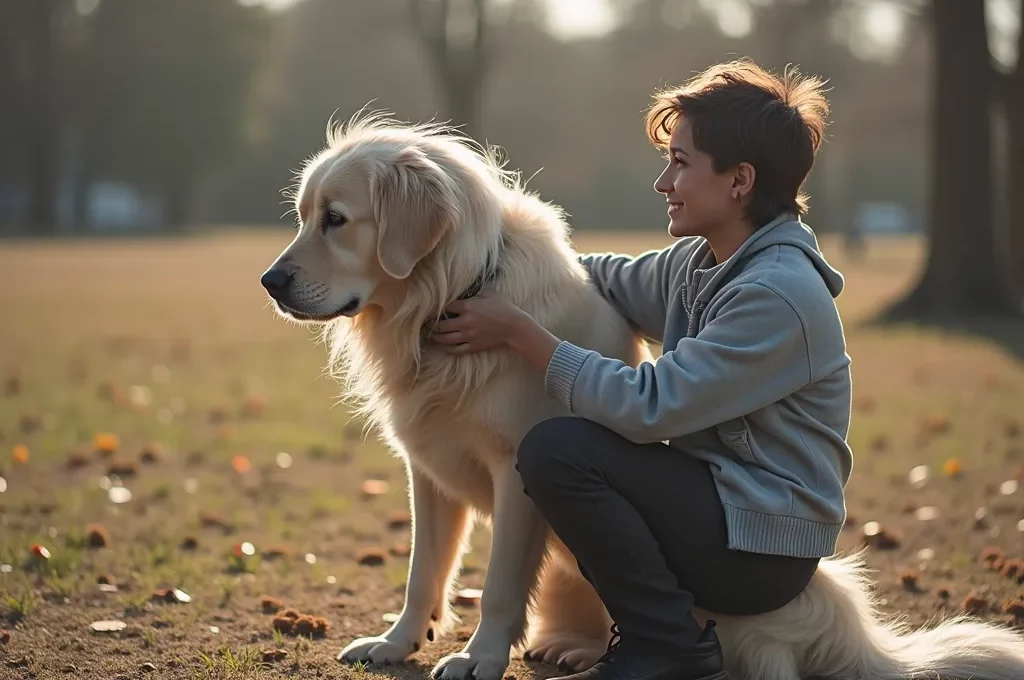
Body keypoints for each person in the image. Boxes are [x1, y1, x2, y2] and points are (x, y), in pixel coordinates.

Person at [431, 58, 852, 680]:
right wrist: (494, 263)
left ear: (740, 180)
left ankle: (667, 646)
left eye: (681, 163)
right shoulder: (697, 263)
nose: (663, 182)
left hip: (761, 549)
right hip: (715, 510)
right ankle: (651, 636)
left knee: (560, 450)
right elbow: (590, 275)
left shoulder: (779, 294)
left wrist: (523, 334)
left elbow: (649, 408)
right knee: (564, 448)